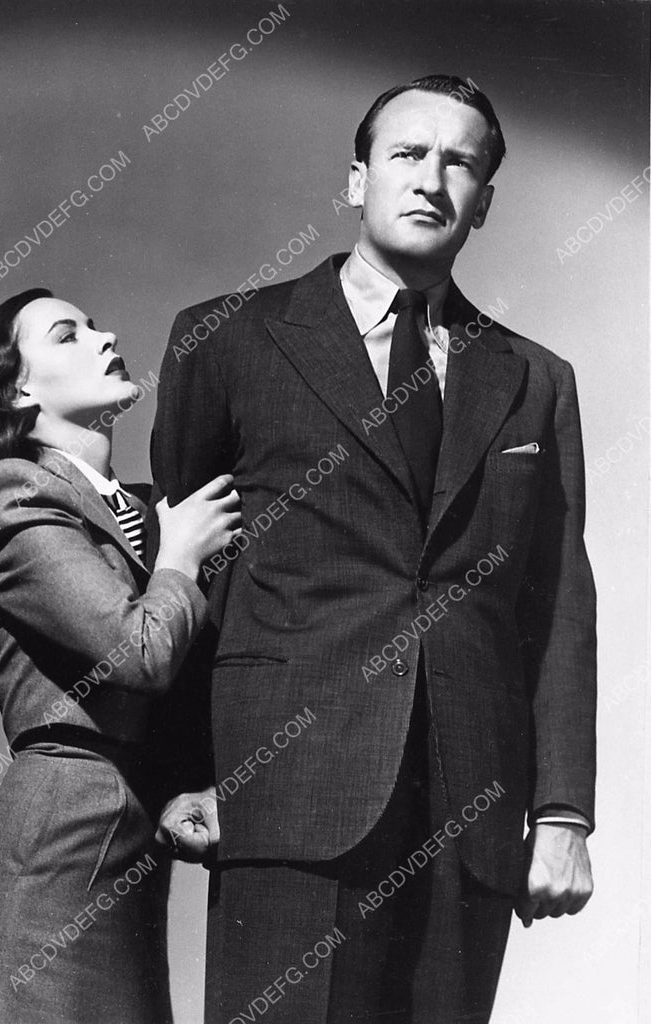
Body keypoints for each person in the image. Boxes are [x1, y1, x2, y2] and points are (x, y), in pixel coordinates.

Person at [150, 75, 596, 1023]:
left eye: (458, 163)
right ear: (356, 179)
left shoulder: (535, 380)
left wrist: (561, 814)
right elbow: (189, 565)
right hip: (285, 795)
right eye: (406, 153)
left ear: (483, 202)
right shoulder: (227, 339)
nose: (430, 179)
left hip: (469, 812)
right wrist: (184, 770)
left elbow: (557, 603)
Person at [0, 288, 241, 1024]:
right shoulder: (12, 492)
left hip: (130, 873)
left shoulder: (149, 510)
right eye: (67, 334)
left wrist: (187, 786)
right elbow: (139, 653)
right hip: (46, 872)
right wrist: (180, 559)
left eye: (95, 325)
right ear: (17, 390)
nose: (104, 336)